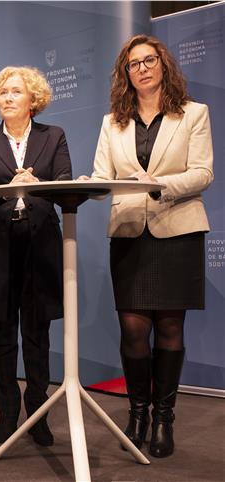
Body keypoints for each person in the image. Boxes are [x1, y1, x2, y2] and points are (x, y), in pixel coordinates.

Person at [85, 34, 213, 458]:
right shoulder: (112, 121)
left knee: (171, 328)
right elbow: (104, 175)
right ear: (126, 73)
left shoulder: (193, 114)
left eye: (148, 60)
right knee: (133, 329)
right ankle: (136, 413)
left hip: (177, 230)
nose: (141, 68)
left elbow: (202, 173)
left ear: (163, 65)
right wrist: (90, 186)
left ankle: (164, 417)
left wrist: (157, 186)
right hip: (128, 232)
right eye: (133, 64)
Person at [0, 66, 72, 446]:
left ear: (33, 101)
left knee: (38, 335)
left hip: (40, 243)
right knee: (3, 335)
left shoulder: (53, 136)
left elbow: (64, 185)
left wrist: (36, 184)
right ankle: (8, 414)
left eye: (16, 92)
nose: (7, 98)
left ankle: (38, 414)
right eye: (3, 93)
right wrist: (11, 188)